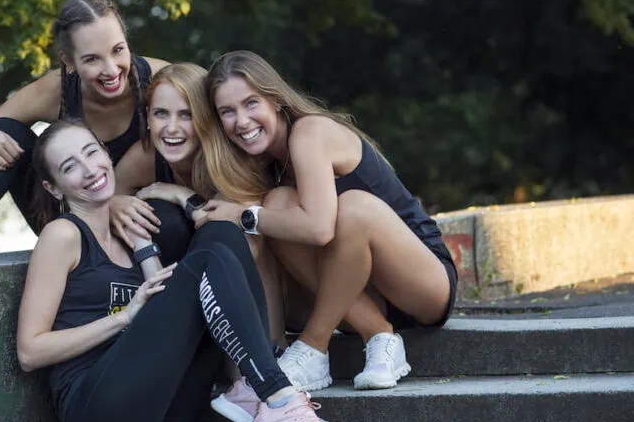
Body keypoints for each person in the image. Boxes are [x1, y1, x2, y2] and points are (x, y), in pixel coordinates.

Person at [15, 118, 358, 422]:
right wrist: (123, 318)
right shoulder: (63, 235)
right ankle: (276, 395)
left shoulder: (129, 231)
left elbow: (162, 311)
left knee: (222, 232)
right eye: (70, 167)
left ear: (106, 152)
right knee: (205, 259)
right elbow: (30, 352)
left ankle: (249, 385)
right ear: (53, 188)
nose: (90, 169)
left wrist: (144, 247)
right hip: (101, 417)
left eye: (91, 152)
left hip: (165, 419)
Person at [193, 51, 458, 392]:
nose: (242, 121)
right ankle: (378, 334)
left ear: (275, 99)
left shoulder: (310, 132)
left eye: (251, 103)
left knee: (351, 209)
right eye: (227, 111)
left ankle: (313, 345)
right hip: (361, 296)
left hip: (423, 285)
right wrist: (173, 193)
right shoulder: (266, 167)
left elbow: (319, 229)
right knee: (277, 205)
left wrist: (246, 216)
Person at [0, 0, 170, 270]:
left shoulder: (161, 81)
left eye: (118, 50)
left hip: (143, 219)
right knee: (5, 129)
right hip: (69, 219)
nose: (111, 69)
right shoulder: (54, 90)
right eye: (92, 59)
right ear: (68, 61)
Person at [110, 63, 286, 343]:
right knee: (158, 218)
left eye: (186, 115)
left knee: (239, 237)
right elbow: (97, 208)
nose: (172, 128)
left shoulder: (231, 158)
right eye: (161, 113)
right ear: (148, 116)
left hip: (265, 295)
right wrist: (115, 204)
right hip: (183, 288)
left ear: (205, 118)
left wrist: (182, 195)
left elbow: (231, 236)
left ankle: (273, 347)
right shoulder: (144, 157)